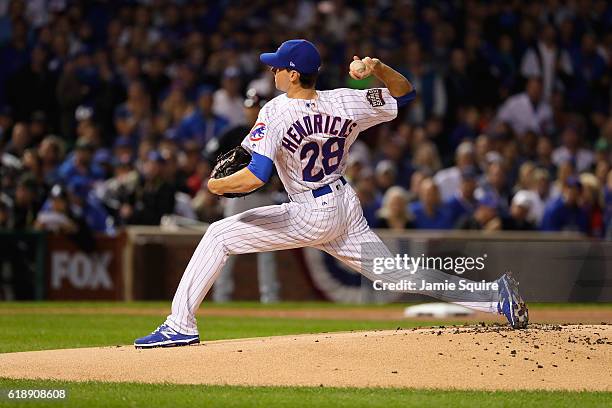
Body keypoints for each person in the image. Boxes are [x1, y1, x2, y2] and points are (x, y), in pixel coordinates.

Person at [135, 39, 528, 348]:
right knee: (394, 273)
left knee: (217, 235)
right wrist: (377, 69)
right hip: (344, 203)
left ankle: (179, 326)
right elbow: (404, 95)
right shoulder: (346, 100)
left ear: (292, 74)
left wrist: (216, 185)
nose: (272, 69)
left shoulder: (274, 111)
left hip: (309, 211)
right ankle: (495, 297)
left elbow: (256, 175)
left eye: (277, 65)